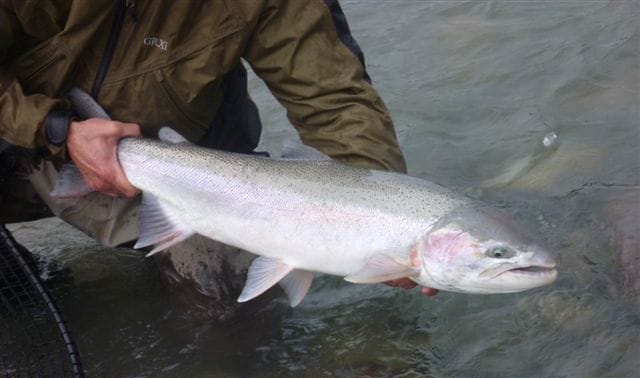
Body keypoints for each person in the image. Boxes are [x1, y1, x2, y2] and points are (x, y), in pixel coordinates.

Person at [0, 0, 436, 313]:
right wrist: (53, 128)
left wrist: (384, 231)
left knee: (231, 302)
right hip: (18, 135)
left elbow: (336, 101)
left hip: (178, 171)